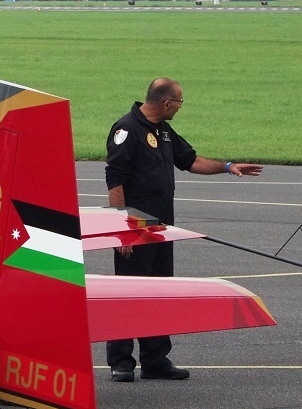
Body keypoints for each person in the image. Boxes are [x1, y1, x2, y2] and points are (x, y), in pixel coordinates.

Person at [105, 77, 263, 382]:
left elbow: (190, 160)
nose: (180, 107)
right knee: (127, 293)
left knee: (160, 292)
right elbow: (116, 180)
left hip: (162, 228)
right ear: (166, 103)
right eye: (179, 102)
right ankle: (121, 361)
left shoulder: (163, 130)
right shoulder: (127, 130)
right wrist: (121, 229)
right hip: (135, 229)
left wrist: (228, 166)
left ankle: (154, 359)